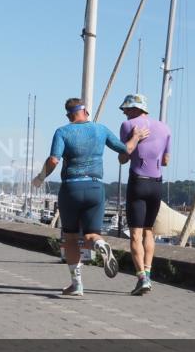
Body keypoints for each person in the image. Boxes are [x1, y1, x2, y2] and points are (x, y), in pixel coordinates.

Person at [32, 98, 147, 297]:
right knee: (91, 235)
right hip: (95, 187)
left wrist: (41, 177)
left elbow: (53, 160)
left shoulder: (63, 132)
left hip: (72, 188)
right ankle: (100, 244)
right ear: (85, 111)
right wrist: (136, 137)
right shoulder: (101, 129)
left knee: (70, 238)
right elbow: (126, 150)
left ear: (69, 115)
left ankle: (77, 284)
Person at [118, 94, 172, 295]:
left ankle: (141, 277)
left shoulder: (128, 126)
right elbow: (166, 160)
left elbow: (123, 158)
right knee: (149, 231)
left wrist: (135, 141)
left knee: (135, 234)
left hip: (138, 182)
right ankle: (148, 274)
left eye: (126, 109)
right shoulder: (165, 128)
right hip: (156, 184)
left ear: (134, 109)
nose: (124, 113)